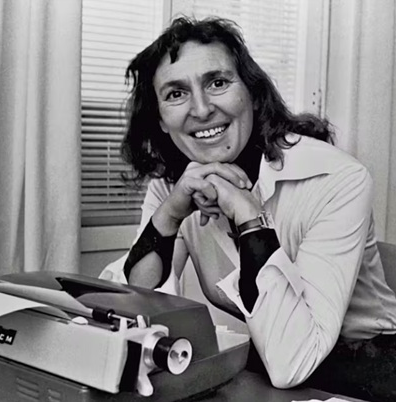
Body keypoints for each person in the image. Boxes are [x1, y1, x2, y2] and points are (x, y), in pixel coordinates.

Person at [99, 16, 396, 402]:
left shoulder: (338, 178)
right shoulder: (173, 186)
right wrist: (169, 214)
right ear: (161, 118)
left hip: (368, 366)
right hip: (269, 357)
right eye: (176, 93)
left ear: (252, 94)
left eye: (217, 83)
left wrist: (248, 215)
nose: (201, 109)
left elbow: (293, 362)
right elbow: (134, 308)